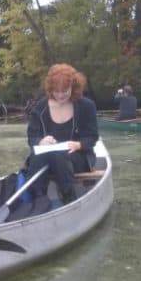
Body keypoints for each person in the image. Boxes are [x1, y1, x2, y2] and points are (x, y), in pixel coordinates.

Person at [26, 63, 99, 204]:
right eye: (56, 91)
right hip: (46, 156)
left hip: (78, 156)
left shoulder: (86, 106)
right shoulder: (39, 108)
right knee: (38, 157)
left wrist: (79, 144)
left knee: (59, 155)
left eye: (64, 91)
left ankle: (69, 197)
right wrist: (40, 141)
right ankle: (37, 199)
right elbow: (32, 138)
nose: (60, 95)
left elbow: (92, 137)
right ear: (50, 89)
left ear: (73, 87)